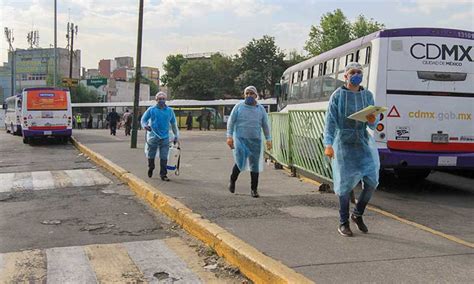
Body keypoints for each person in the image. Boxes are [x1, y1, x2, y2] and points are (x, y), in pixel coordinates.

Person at [323, 62, 380, 237]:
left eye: (359, 72)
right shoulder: (338, 96)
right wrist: (329, 144)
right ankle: (343, 222)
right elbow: (331, 121)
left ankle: (358, 213)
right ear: (346, 76)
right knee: (345, 185)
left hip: (362, 142)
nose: (356, 75)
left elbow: (373, 123)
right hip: (343, 144)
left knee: (371, 181)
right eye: (352, 72)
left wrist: (371, 120)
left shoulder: (367, 95)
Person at [226, 86, 272, 198]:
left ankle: (254, 189)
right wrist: (229, 136)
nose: (249, 96)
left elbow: (265, 125)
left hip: (255, 141)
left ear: (256, 96)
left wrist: (268, 139)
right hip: (240, 140)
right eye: (247, 93)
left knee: (254, 165)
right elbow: (231, 122)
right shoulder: (238, 107)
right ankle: (232, 180)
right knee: (240, 162)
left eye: (251, 93)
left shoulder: (260, 109)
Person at [141, 92, 179, 181]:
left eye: (163, 99)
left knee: (164, 156)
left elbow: (173, 124)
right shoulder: (151, 110)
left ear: (165, 100)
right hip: (153, 136)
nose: (161, 100)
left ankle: (163, 174)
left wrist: (176, 135)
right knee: (151, 154)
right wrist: (145, 126)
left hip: (165, 137)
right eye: (159, 99)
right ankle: (151, 167)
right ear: (156, 100)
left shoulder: (170, 111)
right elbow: (143, 120)